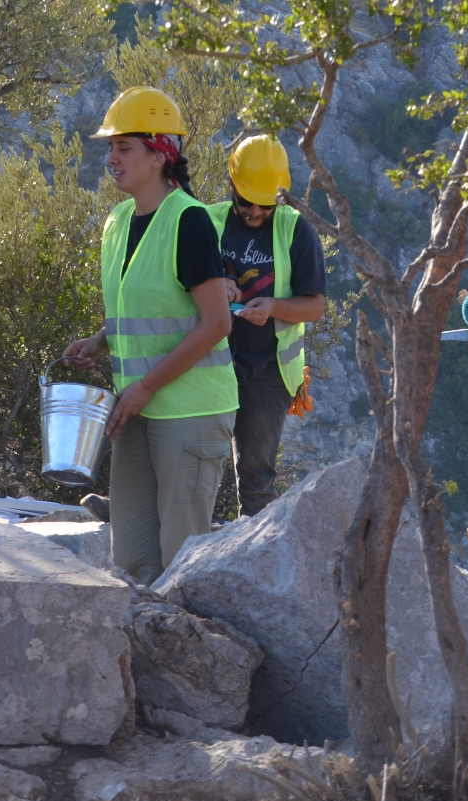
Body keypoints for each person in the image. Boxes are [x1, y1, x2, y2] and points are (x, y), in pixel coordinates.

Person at [63, 87, 235, 585]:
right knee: (134, 560)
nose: (112, 159)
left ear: (161, 154)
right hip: (136, 407)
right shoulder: (117, 222)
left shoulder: (190, 221)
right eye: (110, 148)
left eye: (125, 148)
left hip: (188, 411)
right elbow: (146, 308)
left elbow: (216, 323)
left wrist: (145, 387)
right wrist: (101, 341)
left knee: (181, 565)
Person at [206, 135, 327, 516]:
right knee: (189, 461)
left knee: (256, 478)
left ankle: (253, 556)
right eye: (246, 201)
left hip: (267, 373)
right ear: (232, 186)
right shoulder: (208, 222)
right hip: (207, 363)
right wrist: (214, 286)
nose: (255, 212)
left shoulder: (295, 230)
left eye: (266, 204)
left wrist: (273, 307)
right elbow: (177, 285)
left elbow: (315, 307)